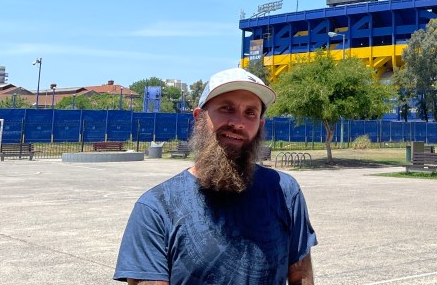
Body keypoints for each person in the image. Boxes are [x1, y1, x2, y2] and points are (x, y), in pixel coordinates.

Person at [114, 68, 317, 285]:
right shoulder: (156, 208)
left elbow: (300, 276)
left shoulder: (284, 191)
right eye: (226, 108)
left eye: (250, 113)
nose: (238, 123)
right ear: (199, 118)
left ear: (260, 125)